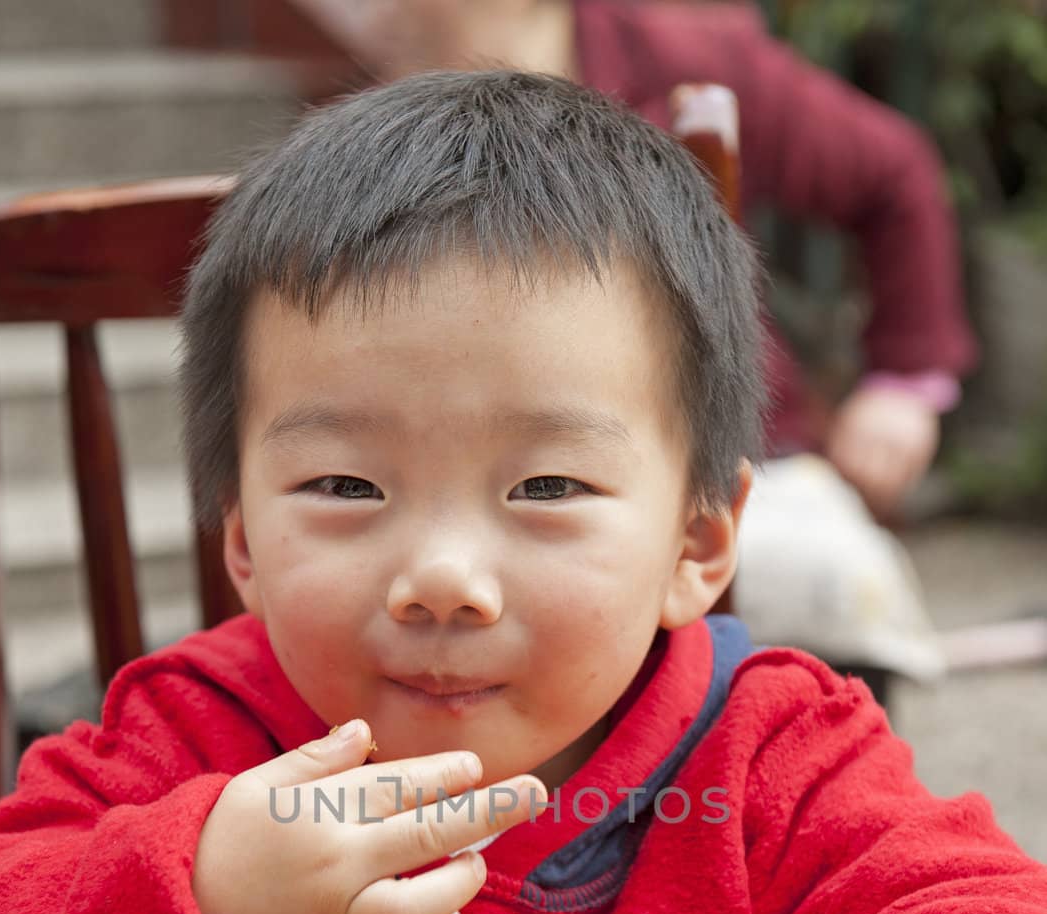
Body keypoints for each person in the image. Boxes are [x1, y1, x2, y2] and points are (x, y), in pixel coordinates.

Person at [0, 70, 1045, 914]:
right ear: (241, 538)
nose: (442, 578)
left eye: (546, 488)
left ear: (697, 542)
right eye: (347, 488)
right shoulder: (196, 739)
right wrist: (203, 905)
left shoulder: (775, 757)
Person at [291, 0, 977, 683]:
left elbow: (893, 174)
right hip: (466, 480)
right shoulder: (341, 139)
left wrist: (904, 383)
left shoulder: (691, 61)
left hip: (723, 450)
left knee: (829, 579)